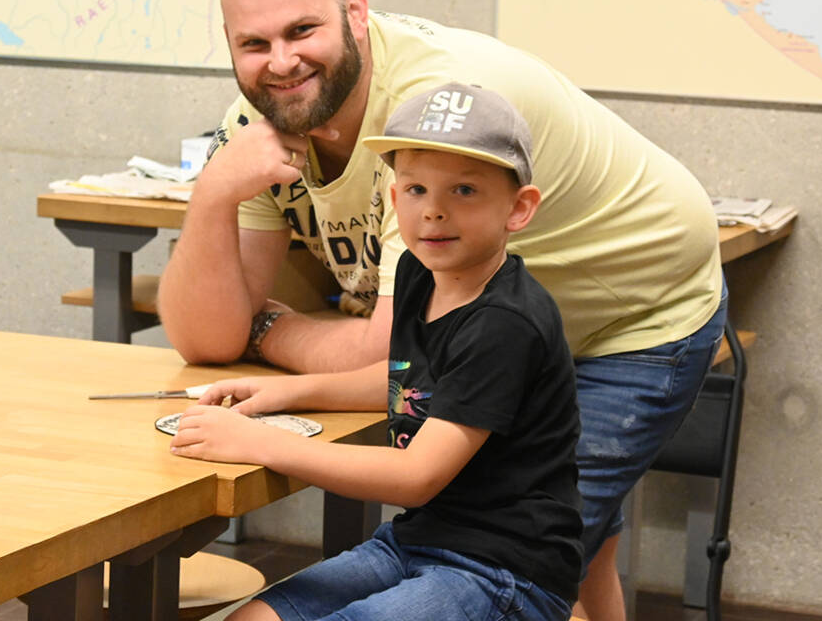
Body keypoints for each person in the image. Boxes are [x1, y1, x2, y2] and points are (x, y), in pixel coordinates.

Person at [157, 0, 727, 621]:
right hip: (440, 506)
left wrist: (267, 333)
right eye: (254, 43)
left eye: (302, 29)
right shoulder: (279, 130)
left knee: (546, 545)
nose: (281, 62)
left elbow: (398, 410)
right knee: (562, 516)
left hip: (639, 305)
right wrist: (214, 192)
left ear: (355, 13)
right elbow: (371, 365)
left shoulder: (432, 125)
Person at [169, 84, 582, 621]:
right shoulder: (420, 270)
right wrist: (287, 391)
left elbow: (416, 476)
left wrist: (259, 441)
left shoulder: (504, 323)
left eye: (464, 191)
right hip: (415, 541)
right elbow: (411, 381)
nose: (433, 212)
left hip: (502, 570)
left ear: (519, 208)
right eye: (415, 190)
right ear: (393, 199)